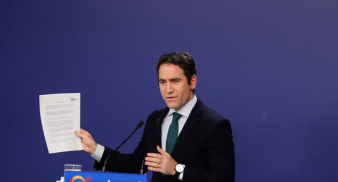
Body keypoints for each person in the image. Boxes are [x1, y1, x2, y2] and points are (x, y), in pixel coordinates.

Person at [75, 52, 235, 182]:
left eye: (175, 81)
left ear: (192, 82)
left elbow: (224, 179)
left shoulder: (214, 125)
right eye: (162, 82)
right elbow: (136, 164)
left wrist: (177, 169)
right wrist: (95, 149)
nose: (168, 89)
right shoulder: (155, 120)